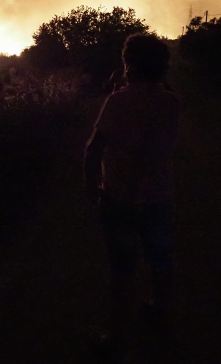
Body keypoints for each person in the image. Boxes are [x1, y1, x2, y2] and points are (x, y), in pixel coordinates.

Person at [84, 33, 180, 361]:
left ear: (129, 65)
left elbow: (93, 150)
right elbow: (162, 104)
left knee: (122, 270)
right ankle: (161, 314)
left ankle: (115, 340)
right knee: (159, 260)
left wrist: (92, 189)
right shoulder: (172, 103)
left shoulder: (117, 101)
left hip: (119, 198)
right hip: (158, 199)